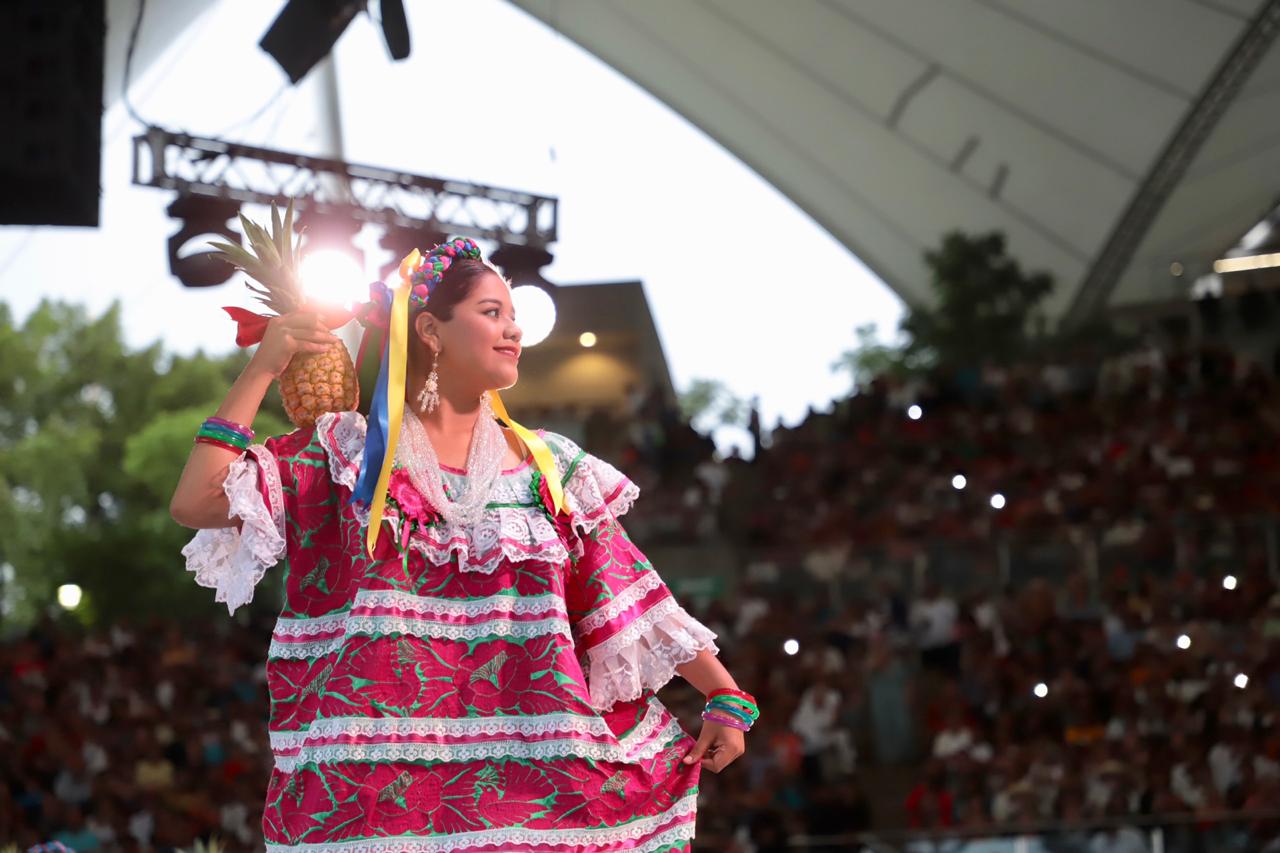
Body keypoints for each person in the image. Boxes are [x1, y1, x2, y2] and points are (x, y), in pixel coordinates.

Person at [170, 237, 757, 850]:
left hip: (534, 786)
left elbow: (627, 595)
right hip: (378, 793)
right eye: (492, 312)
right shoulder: (344, 453)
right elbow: (195, 502)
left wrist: (724, 692)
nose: (514, 331)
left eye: (513, 315)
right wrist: (262, 367)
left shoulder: (550, 465)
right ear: (430, 329)